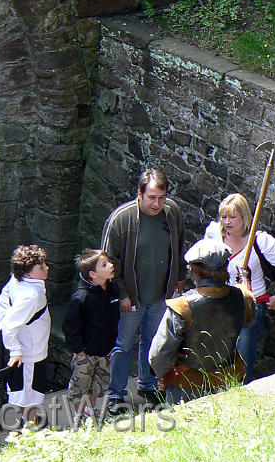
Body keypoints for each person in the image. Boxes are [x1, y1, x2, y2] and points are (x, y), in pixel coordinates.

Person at [100, 169, 186, 414]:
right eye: (151, 198)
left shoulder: (172, 213)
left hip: (161, 295)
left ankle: (147, 384)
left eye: (161, 197)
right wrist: (122, 294)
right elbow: (109, 261)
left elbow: (179, 247)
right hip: (133, 298)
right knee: (123, 345)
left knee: (151, 342)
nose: (157, 203)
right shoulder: (122, 219)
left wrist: (179, 279)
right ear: (139, 194)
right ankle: (116, 393)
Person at [149, 238, 255, 403]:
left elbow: (159, 355)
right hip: (228, 379)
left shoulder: (182, 307)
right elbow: (249, 322)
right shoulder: (244, 297)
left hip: (189, 383)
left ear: (196, 272)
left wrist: (161, 373)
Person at [205, 193, 275, 382]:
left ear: (244, 217)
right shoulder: (213, 234)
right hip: (220, 303)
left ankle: (239, 394)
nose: (227, 222)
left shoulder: (260, 241)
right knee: (217, 356)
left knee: (242, 361)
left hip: (250, 307)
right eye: (224, 216)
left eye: (233, 217)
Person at [62, 249, 120, 423]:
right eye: (104, 264)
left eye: (109, 261)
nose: (111, 265)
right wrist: (79, 350)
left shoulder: (111, 289)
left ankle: (91, 412)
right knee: (80, 387)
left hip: (105, 350)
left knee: (96, 386)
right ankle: (78, 417)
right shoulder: (81, 297)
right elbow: (70, 326)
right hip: (86, 353)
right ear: (93, 274)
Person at [0, 245, 51, 427]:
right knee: (30, 392)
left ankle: (27, 421)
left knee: (26, 390)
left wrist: (1, 321)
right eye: (41, 267)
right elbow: (10, 325)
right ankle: (31, 426)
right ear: (28, 273)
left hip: (29, 348)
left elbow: (4, 300)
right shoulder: (30, 295)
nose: (46, 269)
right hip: (30, 352)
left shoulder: (17, 281)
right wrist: (15, 350)